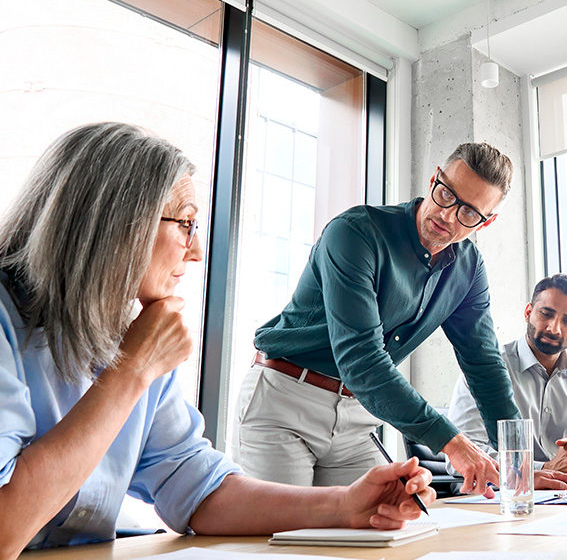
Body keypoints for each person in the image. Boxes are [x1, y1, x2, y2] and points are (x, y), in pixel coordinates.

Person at [0, 123, 435, 557]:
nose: (196, 251)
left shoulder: (131, 335)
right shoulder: (24, 326)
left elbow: (196, 487)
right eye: (186, 224)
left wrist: (344, 504)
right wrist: (133, 370)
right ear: (117, 225)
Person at [238, 143, 567, 495]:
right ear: (433, 180)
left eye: (470, 213)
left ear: (488, 221)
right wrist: (453, 443)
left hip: (356, 419)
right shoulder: (355, 233)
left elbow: (484, 366)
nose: (448, 216)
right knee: (281, 542)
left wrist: (521, 465)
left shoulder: (468, 269)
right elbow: (362, 361)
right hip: (285, 402)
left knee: (387, 534)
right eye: (446, 195)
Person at [448, 274, 567, 474]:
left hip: (565, 497)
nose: (554, 329)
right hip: (498, 498)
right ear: (528, 312)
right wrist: (543, 469)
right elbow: (462, 456)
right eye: (546, 314)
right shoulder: (484, 368)